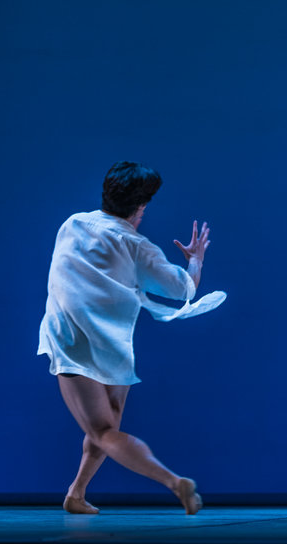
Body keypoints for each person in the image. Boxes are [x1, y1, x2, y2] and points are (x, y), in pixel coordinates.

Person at [38, 161, 210, 515]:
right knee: (103, 430)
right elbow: (183, 289)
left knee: (105, 429)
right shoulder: (136, 246)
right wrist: (195, 261)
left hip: (88, 340)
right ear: (141, 207)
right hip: (92, 345)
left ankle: (76, 494)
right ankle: (174, 482)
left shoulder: (72, 224)